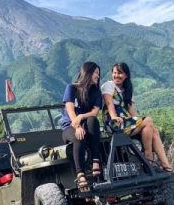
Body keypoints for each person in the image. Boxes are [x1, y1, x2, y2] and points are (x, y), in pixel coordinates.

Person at [101, 62, 172, 172]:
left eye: (120, 73)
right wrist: (114, 118)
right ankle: (148, 157)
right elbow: (109, 104)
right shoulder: (109, 85)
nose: (116, 76)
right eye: (114, 73)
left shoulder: (127, 90)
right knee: (148, 120)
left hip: (127, 122)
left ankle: (167, 166)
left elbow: (132, 113)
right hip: (114, 123)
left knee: (153, 130)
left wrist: (141, 122)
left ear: (126, 75)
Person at [61, 62, 102, 191]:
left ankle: (96, 161)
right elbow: (70, 110)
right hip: (69, 127)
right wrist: (77, 125)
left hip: (85, 123)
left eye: (98, 73)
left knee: (93, 120)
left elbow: (95, 112)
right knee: (80, 136)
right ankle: (80, 174)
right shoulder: (72, 88)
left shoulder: (96, 91)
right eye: (95, 73)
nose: (97, 76)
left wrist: (82, 117)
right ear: (87, 73)